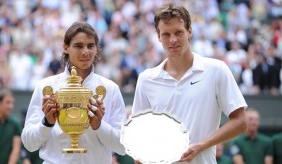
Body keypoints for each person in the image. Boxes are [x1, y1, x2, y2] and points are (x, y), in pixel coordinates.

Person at [132, 2, 247, 163]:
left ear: (190, 32)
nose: (173, 40)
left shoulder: (216, 70)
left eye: (178, 32)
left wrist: (201, 146)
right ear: (158, 36)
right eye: (166, 34)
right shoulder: (146, 79)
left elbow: (241, 122)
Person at [21, 22, 126, 163]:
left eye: (90, 46)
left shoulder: (110, 89)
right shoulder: (46, 87)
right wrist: (46, 123)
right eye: (78, 46)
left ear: (96, 49)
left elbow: (123, 146)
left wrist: (99, 126)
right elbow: (29, 144)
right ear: (65, 48)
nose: (85, 52)